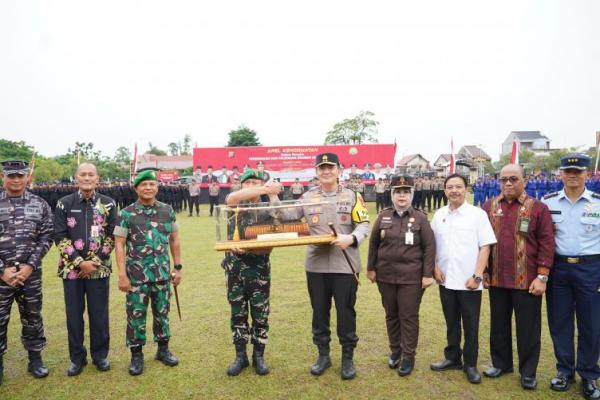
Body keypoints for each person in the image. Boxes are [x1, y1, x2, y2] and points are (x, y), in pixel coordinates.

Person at [288, 153, 370, 380]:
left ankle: (347, 358)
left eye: (330, 167)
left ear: (339, 170)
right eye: (321, 168)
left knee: (345, 312)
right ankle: (323, 355)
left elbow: (363, 224)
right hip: (316, 265)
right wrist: (274, 198)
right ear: (316, 172)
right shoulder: (307, 197)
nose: (326, 171)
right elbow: (287, 215)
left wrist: (351, 239)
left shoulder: (352, 196)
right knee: (319, 312)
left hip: (345, 264)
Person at [482, 164, 554, 390]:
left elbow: (547, 243)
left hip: (527, 281)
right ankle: (501, 364)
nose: (508, 184)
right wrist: (483, 271)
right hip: (496, 278)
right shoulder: (489, 206)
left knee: (528, 328)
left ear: (525, 181)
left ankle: (528, 372)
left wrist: (542, 276)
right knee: (498, 324)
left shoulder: (538, 208)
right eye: (503, 180)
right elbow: (482, 242)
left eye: (513, 179)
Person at [114, 168, 183, 376]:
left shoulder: (167, 210)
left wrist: (177, 267)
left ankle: (163, 350)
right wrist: (122, 274)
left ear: (157, 187)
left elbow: (175, 239)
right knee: (136, 316)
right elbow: (119, 244)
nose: (148, 188)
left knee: (162, 313)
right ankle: (137, 355)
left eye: (151, 184)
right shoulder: (126, 213)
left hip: (162, 274)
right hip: (136, 277)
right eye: (143, 185)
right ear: (136, 188)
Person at [542, 154, 600, 400]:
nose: (573, 175)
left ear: (587, 173)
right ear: (561, 174)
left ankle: (589, 375)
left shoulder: (598, 203)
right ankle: (565, 370)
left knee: (592, 325)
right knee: (560, 322)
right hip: (559, 269)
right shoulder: (547, 202)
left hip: (591, 268)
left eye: (578, 171)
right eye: (568, 171)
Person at [430, 173, 496, 384]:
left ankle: (470, 363)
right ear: (445, 190)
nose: (454, 191)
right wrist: (434, 267)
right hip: (445, 279)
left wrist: (477, 276)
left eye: (458, 186)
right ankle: (452, 357)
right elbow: (431, 245)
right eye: (450, 187)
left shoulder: (477, 214)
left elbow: (485, 246)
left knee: (471, 324)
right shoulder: (439, 214)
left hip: (469, 281)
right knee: (451, 322)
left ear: (466, 189)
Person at [366, 175, 435, 376]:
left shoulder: (421, 218)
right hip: (386, 276)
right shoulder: (383, 216)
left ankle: (408, 356)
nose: (402, 195)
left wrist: (427, 274)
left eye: (406, 191)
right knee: (391, 315)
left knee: (409, 316)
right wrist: (371, 268)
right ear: (392, 194)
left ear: (412, 194)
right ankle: (395, 350)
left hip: (411, 278)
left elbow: (429, 247)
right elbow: (373, 244)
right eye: (398, 192)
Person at [53, 163, 119, 376]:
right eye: (83, 174)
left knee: (99, 315)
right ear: (76, 178)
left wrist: (94, 262)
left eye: (91, 174)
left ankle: (100, 356)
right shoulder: (64, 204)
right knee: (74, 316)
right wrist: (80, 262)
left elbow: (112, 236)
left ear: (97, 178)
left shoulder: (108, 204)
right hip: (71, 270)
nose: (87, 177)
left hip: (98, 270)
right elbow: (60, 236)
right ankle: (77, 359)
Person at [221, 169, 282, 376]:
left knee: (260, 314)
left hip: (259, 271)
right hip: (234, 270)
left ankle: (259, 356)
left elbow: (273, 240)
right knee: (237, 314)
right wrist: (266, 187)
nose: (253, 186)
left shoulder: (265, 209)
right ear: (242, 185)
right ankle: (241, 356)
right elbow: (231, 197)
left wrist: (272, 194)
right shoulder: (234, 205)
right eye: (249, 183)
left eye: (257, 182)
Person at [0, 160, 53, 384]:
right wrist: (2, 270)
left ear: (26, 177)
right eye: (11, 175)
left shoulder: (39, 204)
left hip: (30, 274)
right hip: (1, 277)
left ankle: (35, 359)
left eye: (19, 175)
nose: (15, 180)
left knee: (32, 316)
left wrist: (30, 265)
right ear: (3, 177)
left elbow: (47, 236)